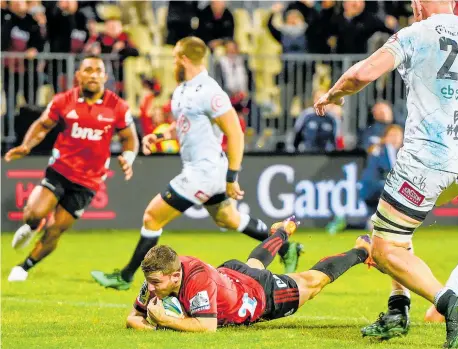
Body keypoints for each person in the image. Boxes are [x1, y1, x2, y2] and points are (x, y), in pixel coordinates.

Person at [314, 0, 458, 347]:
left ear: (418, 5)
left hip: (425, 163)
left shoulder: (417, 34)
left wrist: (333, 94)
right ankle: (398, 311)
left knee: (381, 250)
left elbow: (361, 74)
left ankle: (450, 304)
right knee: (394, 232)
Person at [91, 37, 303, 291]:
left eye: (174, 59)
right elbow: (181, 125)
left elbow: (234, 132)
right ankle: (287, 246)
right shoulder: (182, 90)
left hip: (204, 172)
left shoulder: (210, 92)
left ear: (183, 58)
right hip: (200, 170)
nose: (172, 65)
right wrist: (159, 135)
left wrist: (232, 176)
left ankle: (125, 277)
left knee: (152, 217)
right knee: (228, 218)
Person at [6, 55, 139, 282]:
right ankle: (32, 225)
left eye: (98, 70)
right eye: (88, 70)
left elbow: (129, 138)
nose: (93, 74)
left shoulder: (117, 106)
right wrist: (26, 146)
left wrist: (128, 157)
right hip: (60, 169)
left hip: (89, 181)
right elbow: (42, 125)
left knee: (56, 229)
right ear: (78, 75)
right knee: (35, 213)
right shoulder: (63, 100)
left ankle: (24, 267)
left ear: (105, 77)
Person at [126, 217, 373, 331]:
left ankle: (361, 250)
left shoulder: (196, 281)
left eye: (156, 283)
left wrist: (166, 321)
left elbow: (207, 326)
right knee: (254, 263)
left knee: (313, 282)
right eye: (150, 282)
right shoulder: (158, 277)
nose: (152, 288)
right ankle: (282, 232)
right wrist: (146, 325)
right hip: (230, 275)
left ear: (176, 277)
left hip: (258, 294)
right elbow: (132, 318)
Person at [327, 124, 404, 234]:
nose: (395, 139)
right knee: (398, 192)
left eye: (398, 136)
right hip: (374, 187)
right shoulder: (383, 149)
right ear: (385, 137)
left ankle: (345, 223)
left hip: (372, 190)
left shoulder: (392, 151)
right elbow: (385, 168)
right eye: (393, 135)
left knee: (373, 224)